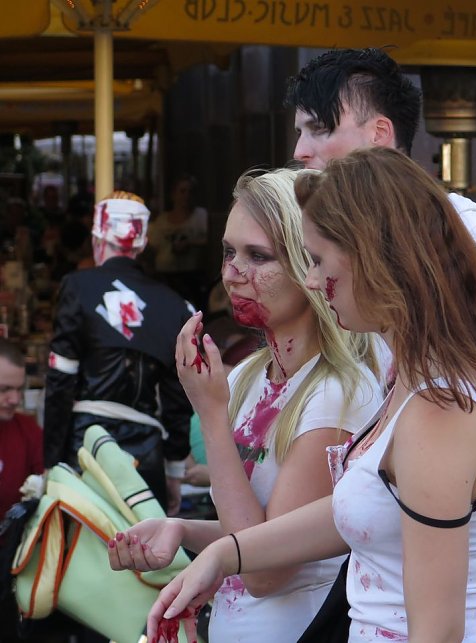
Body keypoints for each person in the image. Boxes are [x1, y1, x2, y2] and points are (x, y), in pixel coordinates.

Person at [117, 147, 476, 642]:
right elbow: (363, 509)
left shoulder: (438, 411)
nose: (315, 280)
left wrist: (226, 549)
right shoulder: (419, 381)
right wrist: (219, 552)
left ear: (376, 260)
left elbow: (436, 633)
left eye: (318, 260)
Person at [285, 47, 476, 574]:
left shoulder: (470, 232)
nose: (299, 150)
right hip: (386, 550)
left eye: (316, 129)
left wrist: (427, 473)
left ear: (379, 134)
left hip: (472, 568)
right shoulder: (360, 245)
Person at [109, 169, 383, 641]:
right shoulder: (247, 375)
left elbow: (263, 569)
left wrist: (212, 414)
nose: (233, 273)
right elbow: (253, 527)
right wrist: (183, 530)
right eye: (228, 252)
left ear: (309, 266)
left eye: (258, 256)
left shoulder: (338, 392)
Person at [43, 191, 194, 515]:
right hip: (147, 453)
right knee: (142, 558)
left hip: (85, 445)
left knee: (80, 556)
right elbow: (178, 400)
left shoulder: (77, 286)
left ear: (98, 239)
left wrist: (50, 463)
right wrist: (174, 474)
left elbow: (60, 381)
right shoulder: (174, 305)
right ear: (141, 244)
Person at [0, 339, 44, 642]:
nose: (14, 399)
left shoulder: (26, 430)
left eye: (19, 388)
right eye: (3, 390)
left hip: (11, 571)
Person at [147, 175, 209, 308]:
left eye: (190, 191)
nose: (186, 196)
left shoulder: (201, 216)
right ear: (173, 194)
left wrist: (190, 244)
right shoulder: (161, 221)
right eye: (182, 191)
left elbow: (211, 242)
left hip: (193, 277)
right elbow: (152, 247)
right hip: (166, 276)